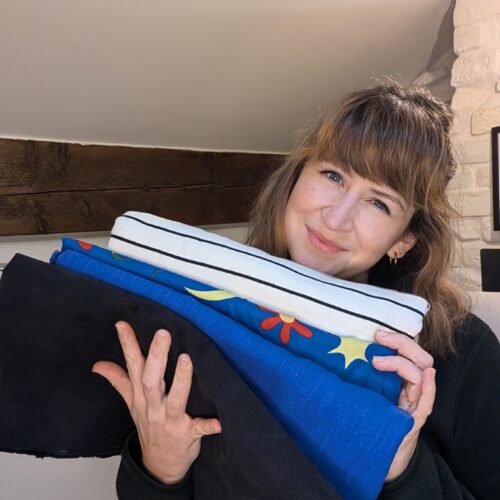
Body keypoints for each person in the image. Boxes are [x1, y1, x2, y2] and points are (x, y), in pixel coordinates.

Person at [93, 80, 500, 499]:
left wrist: (401, 463)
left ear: (405, 240)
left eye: (379, 203)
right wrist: (160, 467)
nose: (337, 218)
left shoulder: (462, 352)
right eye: (332, 175)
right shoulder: (209, 299)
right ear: (296, 178)